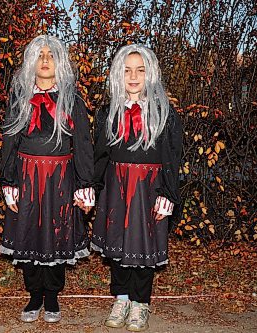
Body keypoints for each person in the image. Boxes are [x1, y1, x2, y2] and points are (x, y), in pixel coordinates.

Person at [0, 35, 94, 324]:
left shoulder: (72, 99)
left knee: (57, 233)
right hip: (27, 176)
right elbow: (9, 141)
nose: (44, 61)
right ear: (31, 61)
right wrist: (8, 182)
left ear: (59, 62)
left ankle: (52, 296)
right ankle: (34, 296)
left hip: (60, 179)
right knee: (27, 232)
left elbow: (83, 144)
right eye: (39, 55)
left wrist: (85, 184)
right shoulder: (20, 96)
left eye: (50, 55)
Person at [92, 44, 182, 332]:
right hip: (116, 186)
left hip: (149, 187)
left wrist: (168, 193)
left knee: (144, 244)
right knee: (117, 243)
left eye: (140, 70)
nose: (133, 76)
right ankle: (121, 298)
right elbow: (100, 154)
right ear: (118, 74)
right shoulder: (108, 112)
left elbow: (173, 155)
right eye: (127, 70)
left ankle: (140, 303)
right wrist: (92, 186)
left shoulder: (164, 113)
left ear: (150, 74)